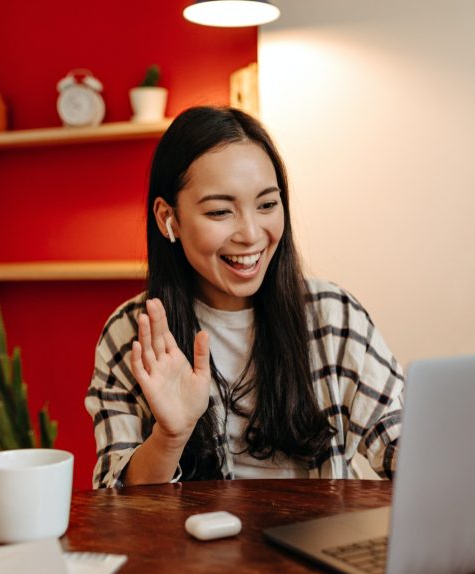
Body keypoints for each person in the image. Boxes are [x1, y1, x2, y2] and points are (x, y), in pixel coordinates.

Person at [85, 106, 403, 487]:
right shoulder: (131, 335)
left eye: (267, 204)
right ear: (167, 218)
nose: (251, 234)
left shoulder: (333, 317)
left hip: (315, 541)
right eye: (221, 211)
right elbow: (117, 506)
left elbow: (401, 440)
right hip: (185, 546)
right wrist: (170, 437)